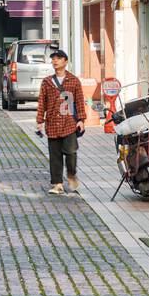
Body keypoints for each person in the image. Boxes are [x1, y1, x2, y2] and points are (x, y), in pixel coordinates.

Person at [36, 49, 85, 195]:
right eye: (53, 59)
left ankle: (71, 174)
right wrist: (40, 121)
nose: (55, 61)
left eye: (58, 58)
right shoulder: (47, 82)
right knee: (55, 156)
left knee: (71, 153)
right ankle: (58, 184)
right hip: (52, 123)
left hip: (69, 122)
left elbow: (80, 101)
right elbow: (41, 102)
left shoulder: (73, 81)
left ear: (65, 61)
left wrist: (81, 120)